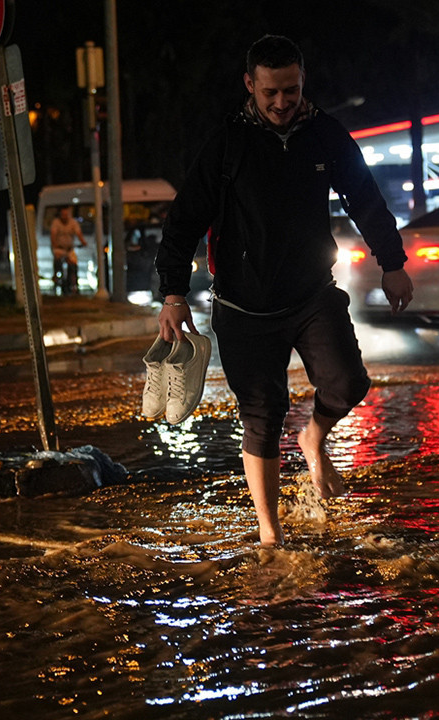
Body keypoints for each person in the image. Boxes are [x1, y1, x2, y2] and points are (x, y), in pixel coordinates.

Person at [154, 34, 413, 546]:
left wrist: (392, 263)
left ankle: (314, 436)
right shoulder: (227, 144)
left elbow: (364, 197)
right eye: (270, 91)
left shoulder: (324, 133)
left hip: (312, 295)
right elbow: (182, 222)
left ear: (302, 80)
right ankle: (270, 536)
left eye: (290, 90)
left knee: (348, 383)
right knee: (262, 415)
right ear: (250, 85)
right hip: (242, 305)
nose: (281, 102)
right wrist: (173, 294)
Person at [49, 206, 87, 295]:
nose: (65, 217)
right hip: (59, 248)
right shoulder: (56, 223)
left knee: (73, 264)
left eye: (66, 215)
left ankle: (74, 285)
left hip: (69, 249)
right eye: (63, 215)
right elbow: (53, 235)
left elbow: (78, 233)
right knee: (58, 263)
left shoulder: (73, 222)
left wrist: (83, 242)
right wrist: (55, 244)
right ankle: (56, 280)